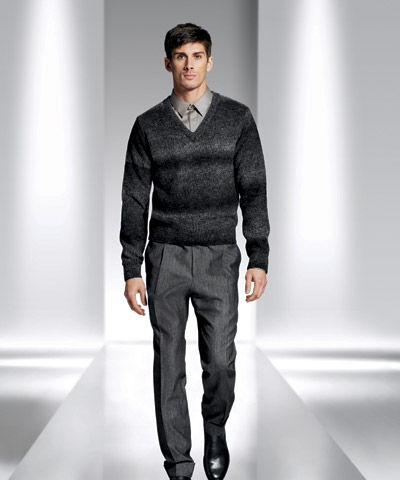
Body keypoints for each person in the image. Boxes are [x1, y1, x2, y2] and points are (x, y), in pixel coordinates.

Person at [119, 22, 270, 480]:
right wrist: (131, 267)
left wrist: (259, 256)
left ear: (210, 61)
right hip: (165, 254)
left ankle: (215, 428)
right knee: (168, 363)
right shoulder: (147, 126)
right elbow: (134, 198)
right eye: (181, 57)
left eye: (197, 56)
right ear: (168, 63)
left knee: (220, 360)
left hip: (219, 254)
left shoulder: (237, 119)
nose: (189, 65)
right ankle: (179, 464)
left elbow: (254, 189)